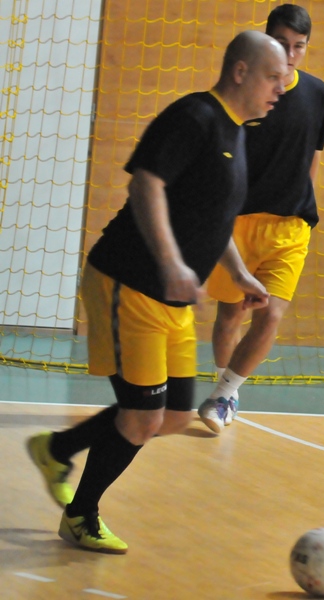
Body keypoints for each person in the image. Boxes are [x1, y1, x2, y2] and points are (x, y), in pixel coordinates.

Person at [25, 30, 288, 554]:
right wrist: (170, 262)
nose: (281, 89)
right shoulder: (194, 117)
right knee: (143, 415)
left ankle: (57, 449)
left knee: (171, 417)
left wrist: (238, 273)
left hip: (173, 298)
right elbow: (145, 183)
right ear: (240, 71)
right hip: (130, 282)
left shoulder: (238, 133)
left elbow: (215, 217)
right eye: (273, 77)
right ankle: (81, 514)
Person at [197, 4, 324, 434]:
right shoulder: (247, 92)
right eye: (282, 44)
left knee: (271, 315)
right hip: (239, 223)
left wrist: (303, 201)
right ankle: (225, 384)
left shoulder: (318, 95)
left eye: (299, 47)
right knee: (230, 317)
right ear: (266, 40)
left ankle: (223, 394)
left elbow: (313, 155)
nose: (290, 55)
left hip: (290, 225)